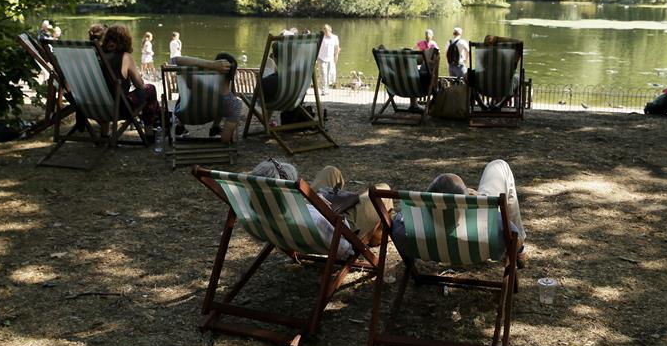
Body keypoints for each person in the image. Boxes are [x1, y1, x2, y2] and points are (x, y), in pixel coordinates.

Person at [390, 160, 529, 267]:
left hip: (435, 241)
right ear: (464, 205)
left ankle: (466, 194)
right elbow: (514, 240)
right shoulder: (495, 225)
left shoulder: (404, 228)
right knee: (499, 165)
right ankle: (521, 252)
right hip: (476, 235)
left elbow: (396, 222)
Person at [251, 159, 393, 256]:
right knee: (383, 190)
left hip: (306, 211)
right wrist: (322, 209)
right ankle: (376, 237)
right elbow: (339, 243)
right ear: (287, 193)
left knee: (331, 171)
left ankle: (376, 232)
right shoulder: (311, 219)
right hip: (340, 227)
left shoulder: (256, 211)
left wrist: (312, 203)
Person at [101, 25, 160, 136]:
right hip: (119, 108)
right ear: (125, 41)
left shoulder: (97, 57)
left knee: (107, 91)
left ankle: (104, 134)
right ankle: (149, 132)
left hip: (96, 107)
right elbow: (140, 86)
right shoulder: (125, 57)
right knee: (150, 89)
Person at [172, 52, 242, 142]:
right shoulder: (235, 105)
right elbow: (225, 139)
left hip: (184, 115)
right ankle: (215, 128)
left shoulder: (197, 85)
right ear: (233, 75)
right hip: (212, 113)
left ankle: (180, 126)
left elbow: (175, 60)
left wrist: (211, 65)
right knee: (220, 104)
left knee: (185, 92)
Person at [317, 24, 340, 95]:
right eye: (325, 31)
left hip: (330, 58)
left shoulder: (335, 37)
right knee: (323, 74)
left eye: (327, 31)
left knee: (329, 75)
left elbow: (337, 49)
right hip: (321, 58)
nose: (326, 33)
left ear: (330, 30)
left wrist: (335, 59)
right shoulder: (321, 37)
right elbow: (316, 47)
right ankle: (323, 90)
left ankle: (327, 89)